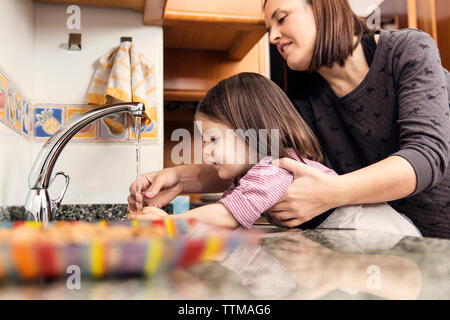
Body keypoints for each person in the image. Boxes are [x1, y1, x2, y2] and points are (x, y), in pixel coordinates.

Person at [128, 73, 421, 237]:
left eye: (213, 139)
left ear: (250, 132)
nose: (206, 151)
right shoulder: (254, 171)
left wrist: (165, 223)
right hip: (357, 237)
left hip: (381, 234)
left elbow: (227, 215)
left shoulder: (273, 168)